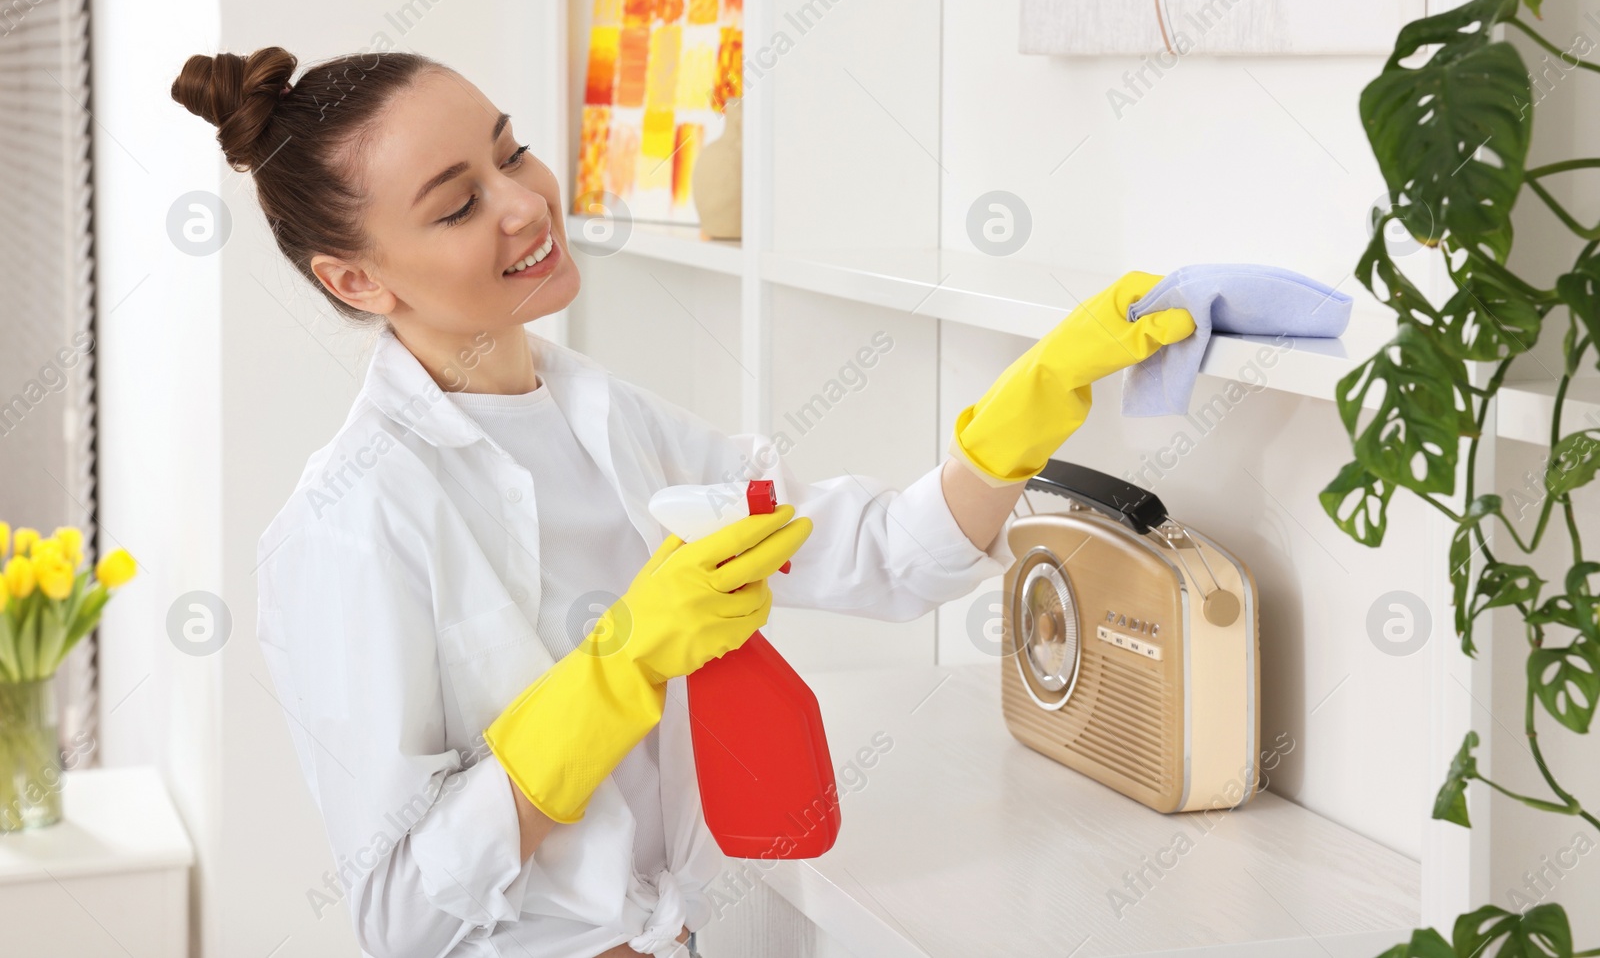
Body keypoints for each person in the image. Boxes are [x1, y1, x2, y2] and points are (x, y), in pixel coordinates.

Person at [170, 48, 1192, 958]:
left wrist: (1038, 393)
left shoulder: (612, 420)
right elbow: (400, 911)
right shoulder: (350, 521)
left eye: (511, 152)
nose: (524, 203)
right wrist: (619, 668)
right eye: (456, 206)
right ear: (355, 280)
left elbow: (880, 554)